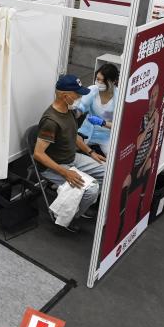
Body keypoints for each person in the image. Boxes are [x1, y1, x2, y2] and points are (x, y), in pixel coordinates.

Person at [32, 74, 108, 233]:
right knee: (91, 190)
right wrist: (65, 173)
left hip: (72, 158)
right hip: (55, 166)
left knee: (107, 171)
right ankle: (70, 217)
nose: (80, 97)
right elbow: (38, 154)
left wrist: (91, 152)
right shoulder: (51, 121)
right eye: (77, 94)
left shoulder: (69, 110)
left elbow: (74, 136)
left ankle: (80, 204)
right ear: (65, 95)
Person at [115, 84, 162, 241]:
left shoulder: (157, 114)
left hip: (143, 160)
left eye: (155, 96)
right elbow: (138, 143)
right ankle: (120, 225)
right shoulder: (143, 116)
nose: (152, 100)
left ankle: (140, 207)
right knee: (124, 186)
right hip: (132, 161)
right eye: (151, 96)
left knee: (148, 163)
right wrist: (148, 125)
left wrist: (144, 164)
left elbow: (153, 141)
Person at [76, 63, 119, 156]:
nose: (99, 83)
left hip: (106, 135)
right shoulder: (92, 90)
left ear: (114, 81)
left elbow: (120, 125)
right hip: (87, 130)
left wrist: (102, 123)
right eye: (97, 79)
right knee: (72, 146)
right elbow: (81, 107)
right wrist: (75, 111)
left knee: (113, 159)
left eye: (103, 81)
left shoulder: (119, 97)